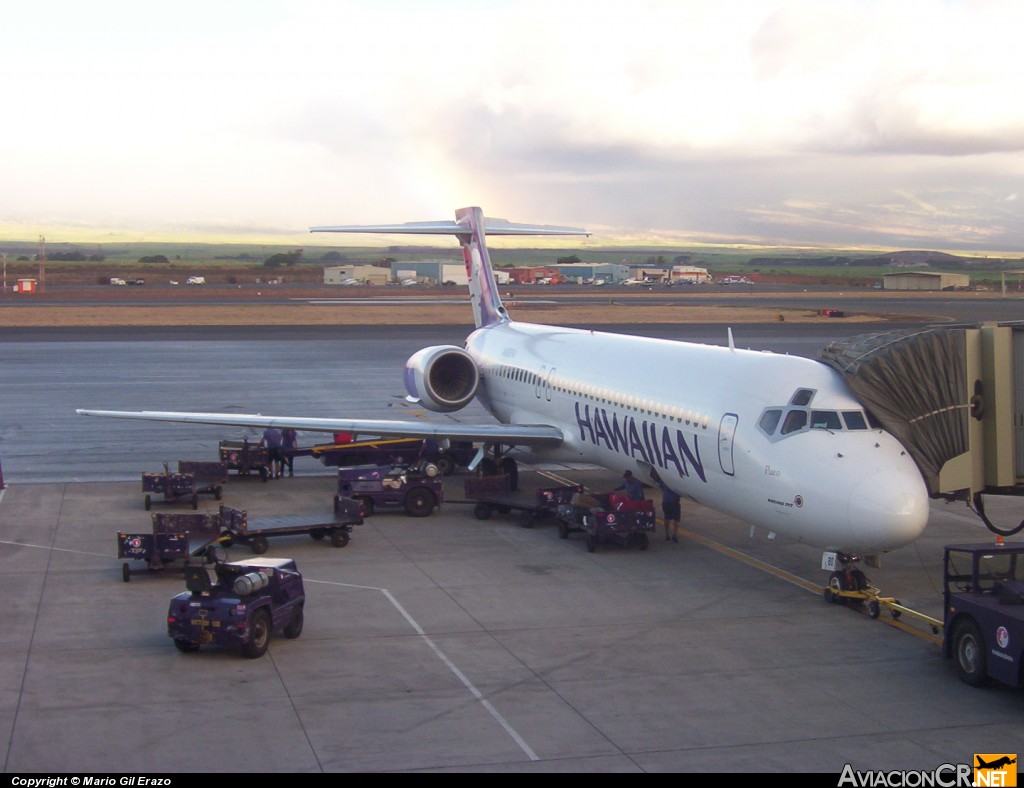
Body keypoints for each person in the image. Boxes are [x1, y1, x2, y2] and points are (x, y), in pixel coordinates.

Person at [650, 469, 681, 542]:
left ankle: (667, 534)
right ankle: (675, 534)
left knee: (667, 518)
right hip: (675, 502)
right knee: (676, 519)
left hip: (666, 502)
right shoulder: (676, 483)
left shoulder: (664, 482)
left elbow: (658, 483)